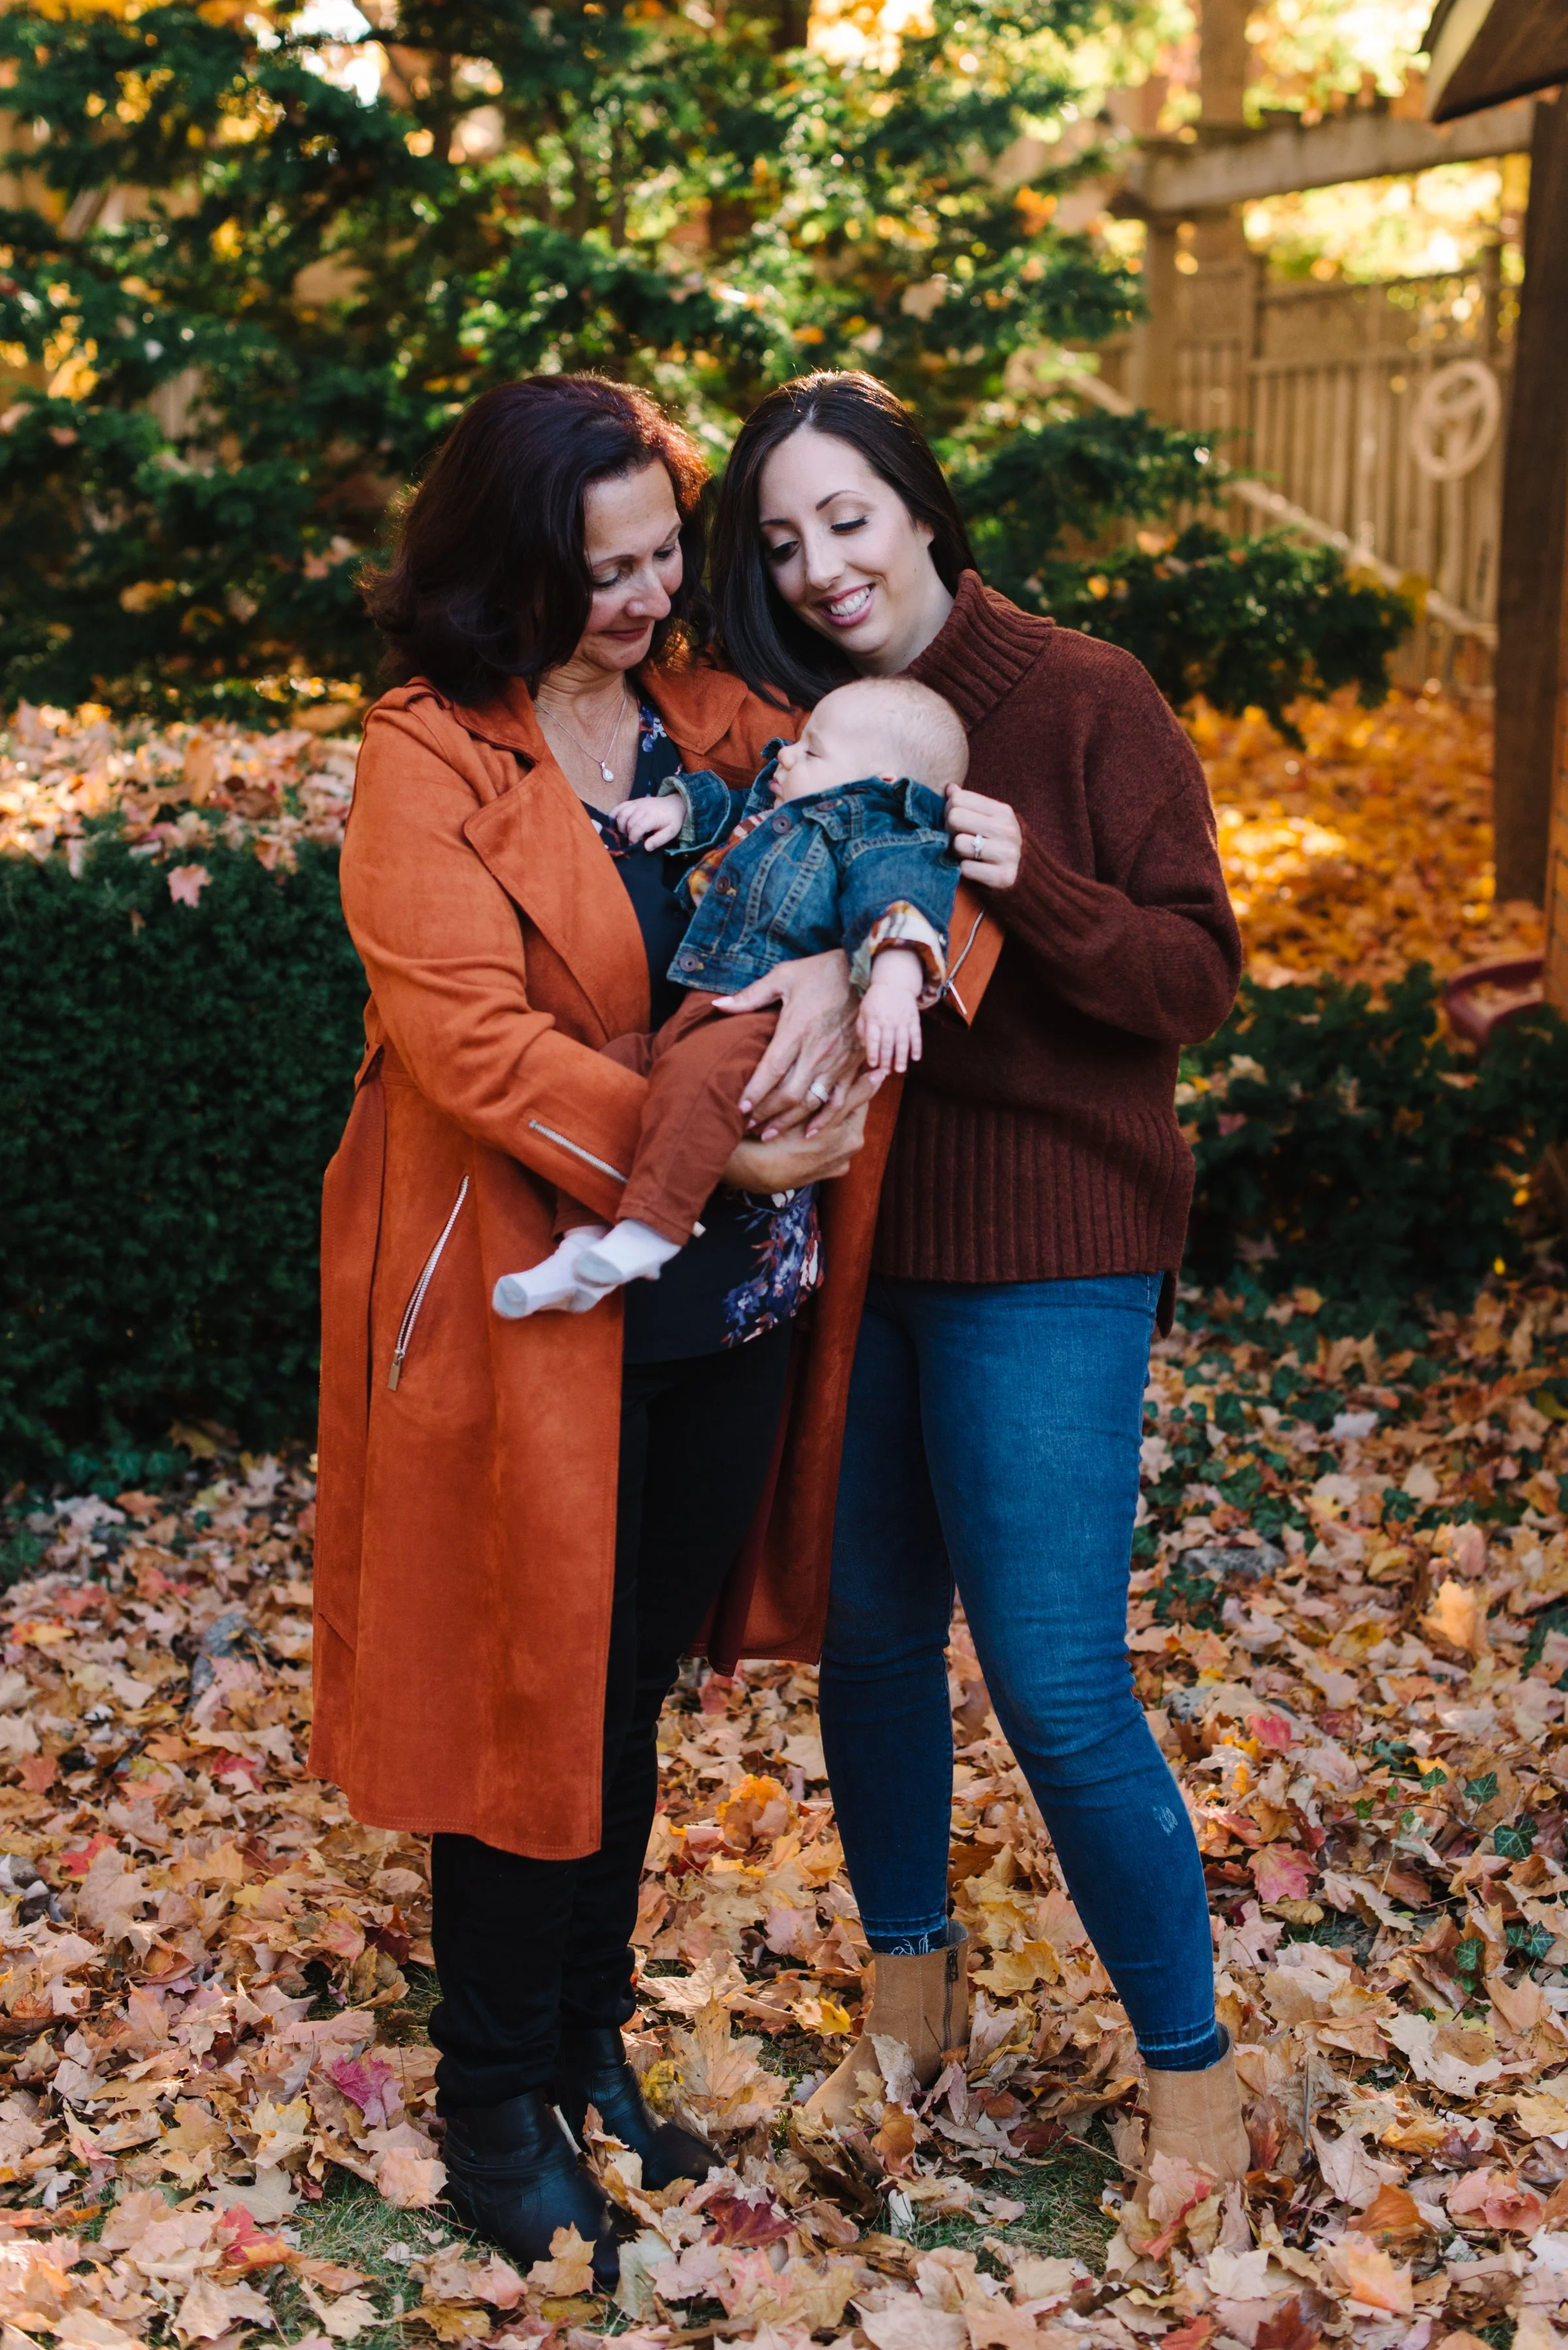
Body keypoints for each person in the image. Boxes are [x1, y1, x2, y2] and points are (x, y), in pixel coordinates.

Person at [309, 375, 894, 2283]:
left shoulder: (718, 715)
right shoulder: (430, 754)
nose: (649, 596)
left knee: (621, 1680)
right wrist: (704, 1143)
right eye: (606, 569)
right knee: (516, 1684)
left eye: (663, 554)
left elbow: (871, 840)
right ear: (509, 567)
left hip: (715, 1310)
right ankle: (492, 2098)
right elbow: (463, 1039)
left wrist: (833, 1021)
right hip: (520, 1293)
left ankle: (579, 2042)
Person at [708, 371, 1249, 2186]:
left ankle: (1194, 2087)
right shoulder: (808, 729)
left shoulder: (1085, 697)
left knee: (1051, 1678)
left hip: (1053, 1258)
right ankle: (908, 2013)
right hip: (861, 1252)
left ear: (924, 510)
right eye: (784, 541)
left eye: (846, 519)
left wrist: (1055, 894)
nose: (820, 566)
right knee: (864, 1644)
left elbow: (1196, 977)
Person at [493, 676, 967, 1318]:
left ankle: (652, 1230)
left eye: (814, 752)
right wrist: (678, 811)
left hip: (762, 1020)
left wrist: (891, 982)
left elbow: (900, 900)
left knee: (693, 1080)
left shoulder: (876, 833)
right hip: (702, 1009)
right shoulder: (781, 809)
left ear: (877, 784)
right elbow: (731, 805)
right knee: (607, 1074)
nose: (788, 755)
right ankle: (580, 1238)